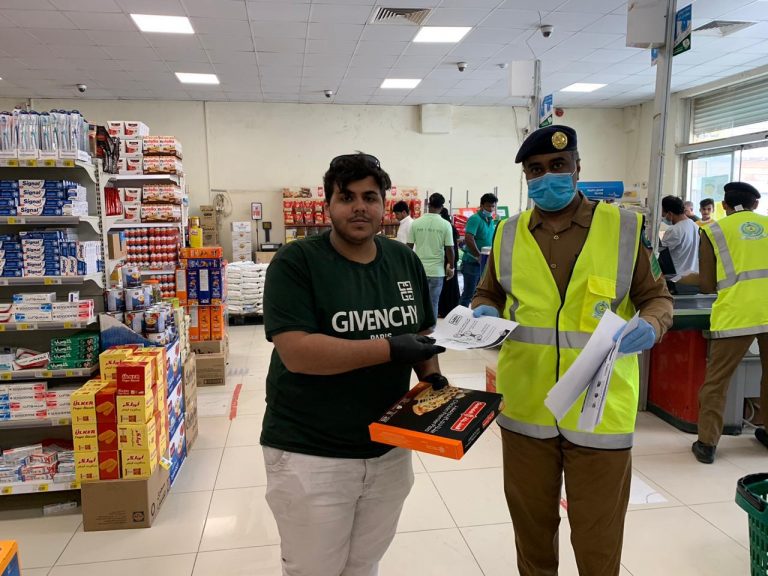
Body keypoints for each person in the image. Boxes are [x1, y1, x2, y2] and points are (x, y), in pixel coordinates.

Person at [472, 125, 673, 576]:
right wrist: (483, 310)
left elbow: (657, 297)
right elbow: (488, 292)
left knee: (598, 535)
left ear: (577, 167)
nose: (547, 177)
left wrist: (651, 324)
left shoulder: (625, 227)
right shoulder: (507, 232)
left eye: (558, 165)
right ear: (527, 177)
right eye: (536, 170)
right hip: (526, 406)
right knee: (532, 529)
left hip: (600, 408)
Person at [261, 152, 447, 576]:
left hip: (388, 447)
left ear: (384, 205)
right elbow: (298, 352)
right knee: (313, 570)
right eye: (347, 197)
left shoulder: (403, 260)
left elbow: (420, 335)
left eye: (370, 197)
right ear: (328, 205)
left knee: (364, 564)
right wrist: (390, 348)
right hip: (311, 451)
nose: (359, 207)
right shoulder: (297, 262)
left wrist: (434, 383)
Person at [692, 182, 768, 464]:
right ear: (755, 204)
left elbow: (707, 284)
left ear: (724, 206)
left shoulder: (712, 230)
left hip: (736, 314)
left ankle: (707, 443)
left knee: (717, 381)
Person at [408, 192, 455, 319]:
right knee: (433, 303)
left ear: (428, 205)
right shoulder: (445, 224)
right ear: (442, 207)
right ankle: (431, 329)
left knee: (418, 302)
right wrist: (451, 267)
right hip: (437, 271)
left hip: (419, 271)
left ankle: (419, 327)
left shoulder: (416, 223)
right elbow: (450, 249)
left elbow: (408, 247)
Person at [459, 193, 498, 307]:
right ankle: (460, 315)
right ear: (481, 205)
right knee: (468, 294)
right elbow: (469, 238)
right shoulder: (475, 219)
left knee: (480, 294)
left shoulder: (491, 220)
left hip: (485, 262)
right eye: (488, 206)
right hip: (472, 262)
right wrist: (478, 255)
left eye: (493, 206)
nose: (491, 209)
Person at [660, 195, 700, 281]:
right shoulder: (695, 226)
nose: (664, 218)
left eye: (664, 215)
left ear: (670, 214)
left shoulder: (674, 230)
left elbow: (660, 253)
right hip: (693, 277)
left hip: (677, 279)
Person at [438, 207, 460, 317]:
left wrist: (449, 263)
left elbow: (449, 247)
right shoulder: (451, 226)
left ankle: (444, 310)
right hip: (452, 259)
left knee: (445, 286)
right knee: (451, 286)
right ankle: (451, 309)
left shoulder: (444, 227)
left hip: (448, 259)